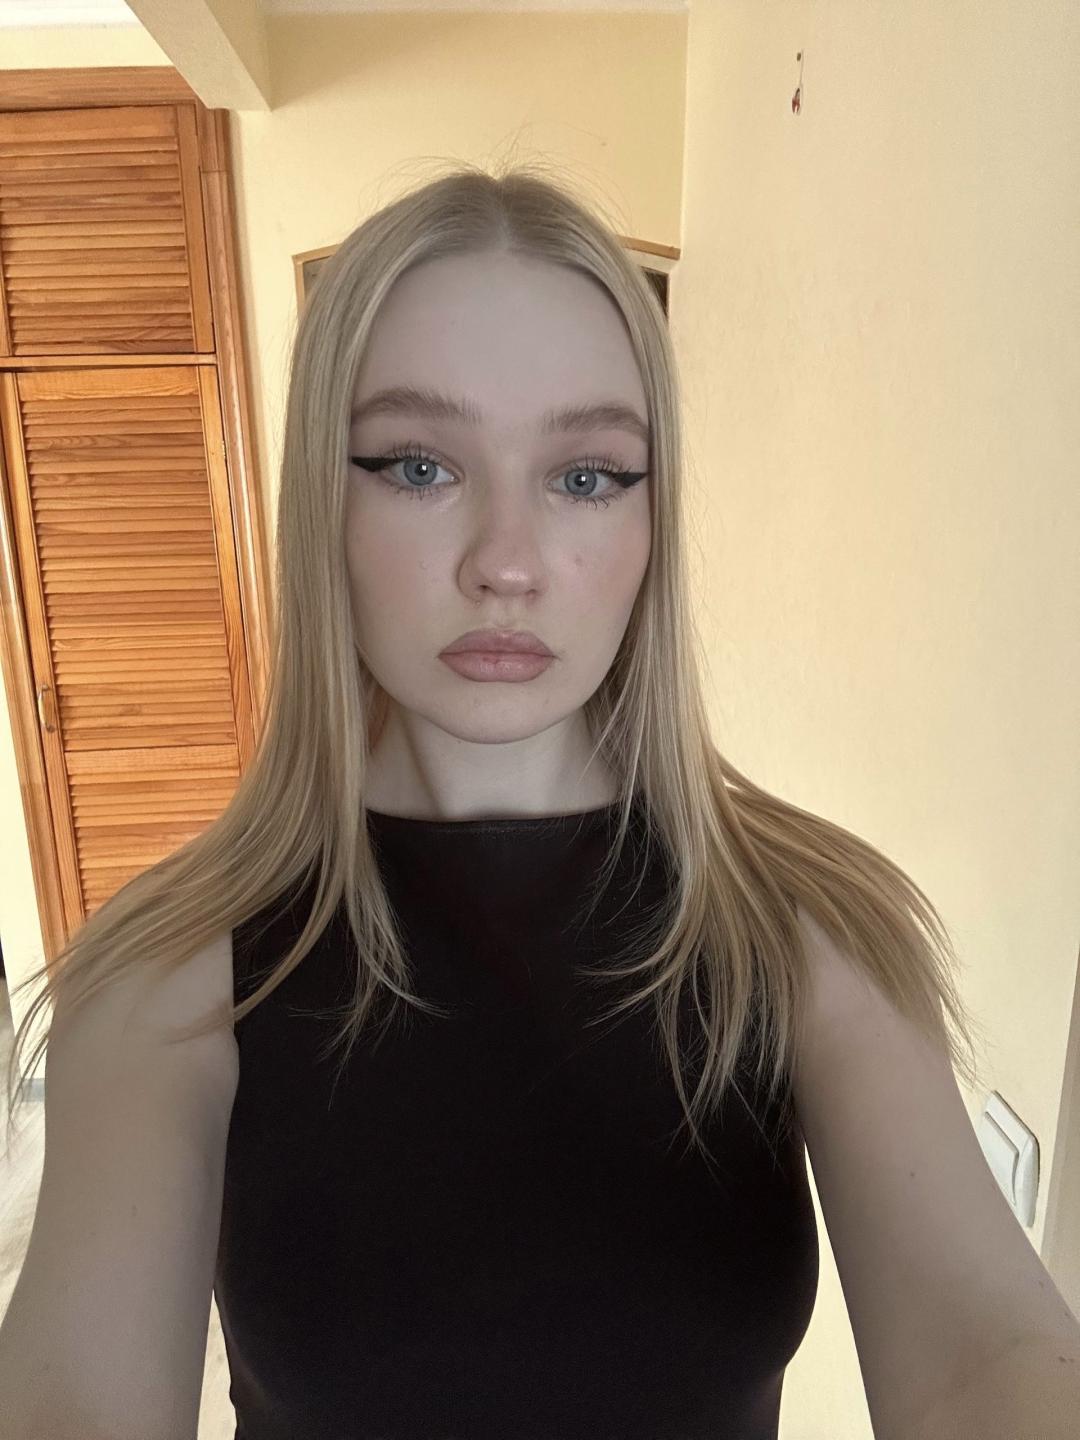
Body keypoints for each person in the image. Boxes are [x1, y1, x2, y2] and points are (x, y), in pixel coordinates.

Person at [16, 164, 1066, 1440]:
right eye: (419, 466)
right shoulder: (167, 971)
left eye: (587, 476)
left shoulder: (808, 929)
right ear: (321, 502)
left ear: (653, 515)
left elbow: (983, 1355)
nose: (506, 564)